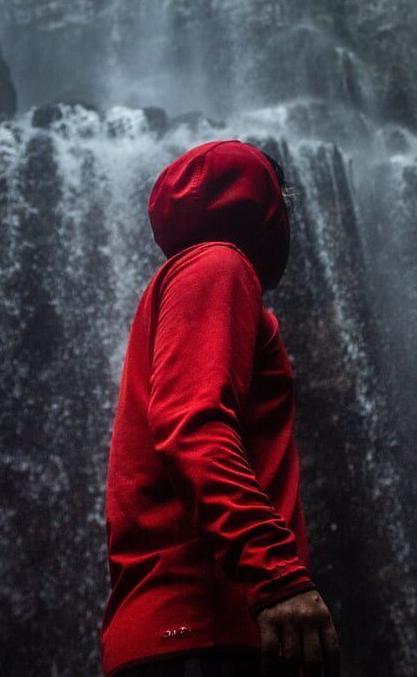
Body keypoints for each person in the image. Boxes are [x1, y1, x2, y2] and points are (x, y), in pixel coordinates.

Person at [101, 139, 340, 677]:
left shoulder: (190, 276)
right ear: (258, 203)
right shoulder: (219, 265)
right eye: (283, 198)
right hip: (206, 631)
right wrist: (276, 574)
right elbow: (192, 425)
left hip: (180, 632)